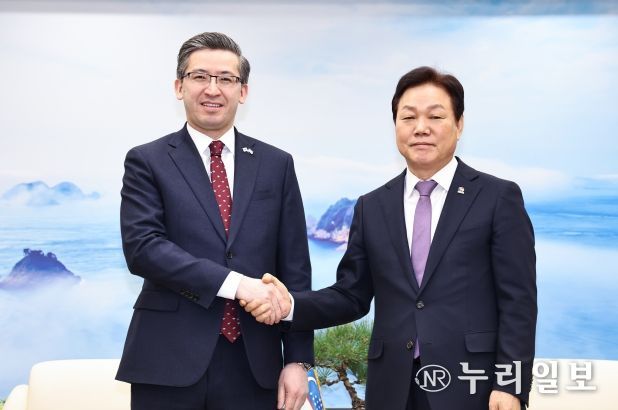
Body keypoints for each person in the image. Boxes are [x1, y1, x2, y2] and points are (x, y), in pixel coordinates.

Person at [246, 66, 537, 410]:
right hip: (391, 387)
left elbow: (518, 302)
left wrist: (511, 385)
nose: (421, 128)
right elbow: (351, 295)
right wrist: (291, 305)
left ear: (459, 124)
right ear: (396, 125)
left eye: (435, 116)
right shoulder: (372, 206)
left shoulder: (496, 197)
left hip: (472, 386)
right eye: (408, 117)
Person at [116, 32, 313, 410]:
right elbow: (144, 249)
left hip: (256, 364)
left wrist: (298, 360)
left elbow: (295, 269)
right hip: (167, 359)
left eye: (226, 78)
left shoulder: (277, 164)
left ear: (243, 91)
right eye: (200, 76)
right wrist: (237, 285)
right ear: (179, 86)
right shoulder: (147, 160)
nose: (212, 89)